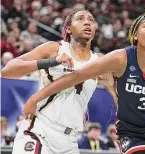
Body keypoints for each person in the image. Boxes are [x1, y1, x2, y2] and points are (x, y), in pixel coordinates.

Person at [23, 13, 145, 154]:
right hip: (132, 129)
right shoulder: (119, 58)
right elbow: (73, 77)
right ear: (136, 34)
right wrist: (36, 98)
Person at [1, 9, 116, 154]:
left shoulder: (100, 61)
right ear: (68, 28)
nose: (87, 22)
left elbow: (118, 92)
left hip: (70, 141)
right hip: (39, 130)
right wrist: (51, 61)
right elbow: (8, 70)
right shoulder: (55, 48)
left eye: (91, 20)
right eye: (80, 19)